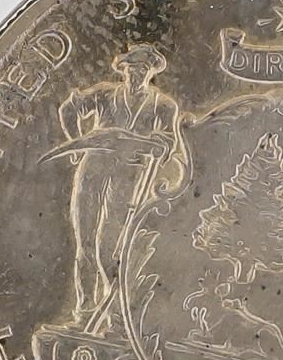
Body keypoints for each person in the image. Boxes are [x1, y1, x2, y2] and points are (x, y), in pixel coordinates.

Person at [55, 44, 187, 332]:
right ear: (124, 70)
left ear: (151, 72)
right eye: (132, 69)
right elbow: (69, 108)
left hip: (129, 177)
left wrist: (158, 144)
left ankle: (116, 317)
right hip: (93, 170)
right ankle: (85, 311)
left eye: (143, 69)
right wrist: (76, 144)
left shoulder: (163, 105)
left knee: (112, 247)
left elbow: (169, 141)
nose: (137, 74)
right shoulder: (105, 94)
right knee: (85, 243)